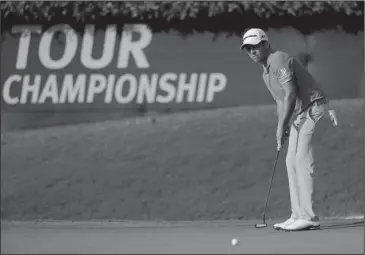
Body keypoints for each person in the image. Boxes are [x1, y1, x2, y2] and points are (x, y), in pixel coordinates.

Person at [240, 28, 338, 231]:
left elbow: (291, 93)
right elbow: (281, 102)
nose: (252, 52)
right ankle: (297, 214)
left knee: (302, 158)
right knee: (290, 160)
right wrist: (280, 128)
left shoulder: (278, 59)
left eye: (255, 47)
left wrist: (285, 123)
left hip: (314, 105)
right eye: (248, 49)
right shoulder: (265, 74)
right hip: (300, 113)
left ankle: (309, 216)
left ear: (265, 44)